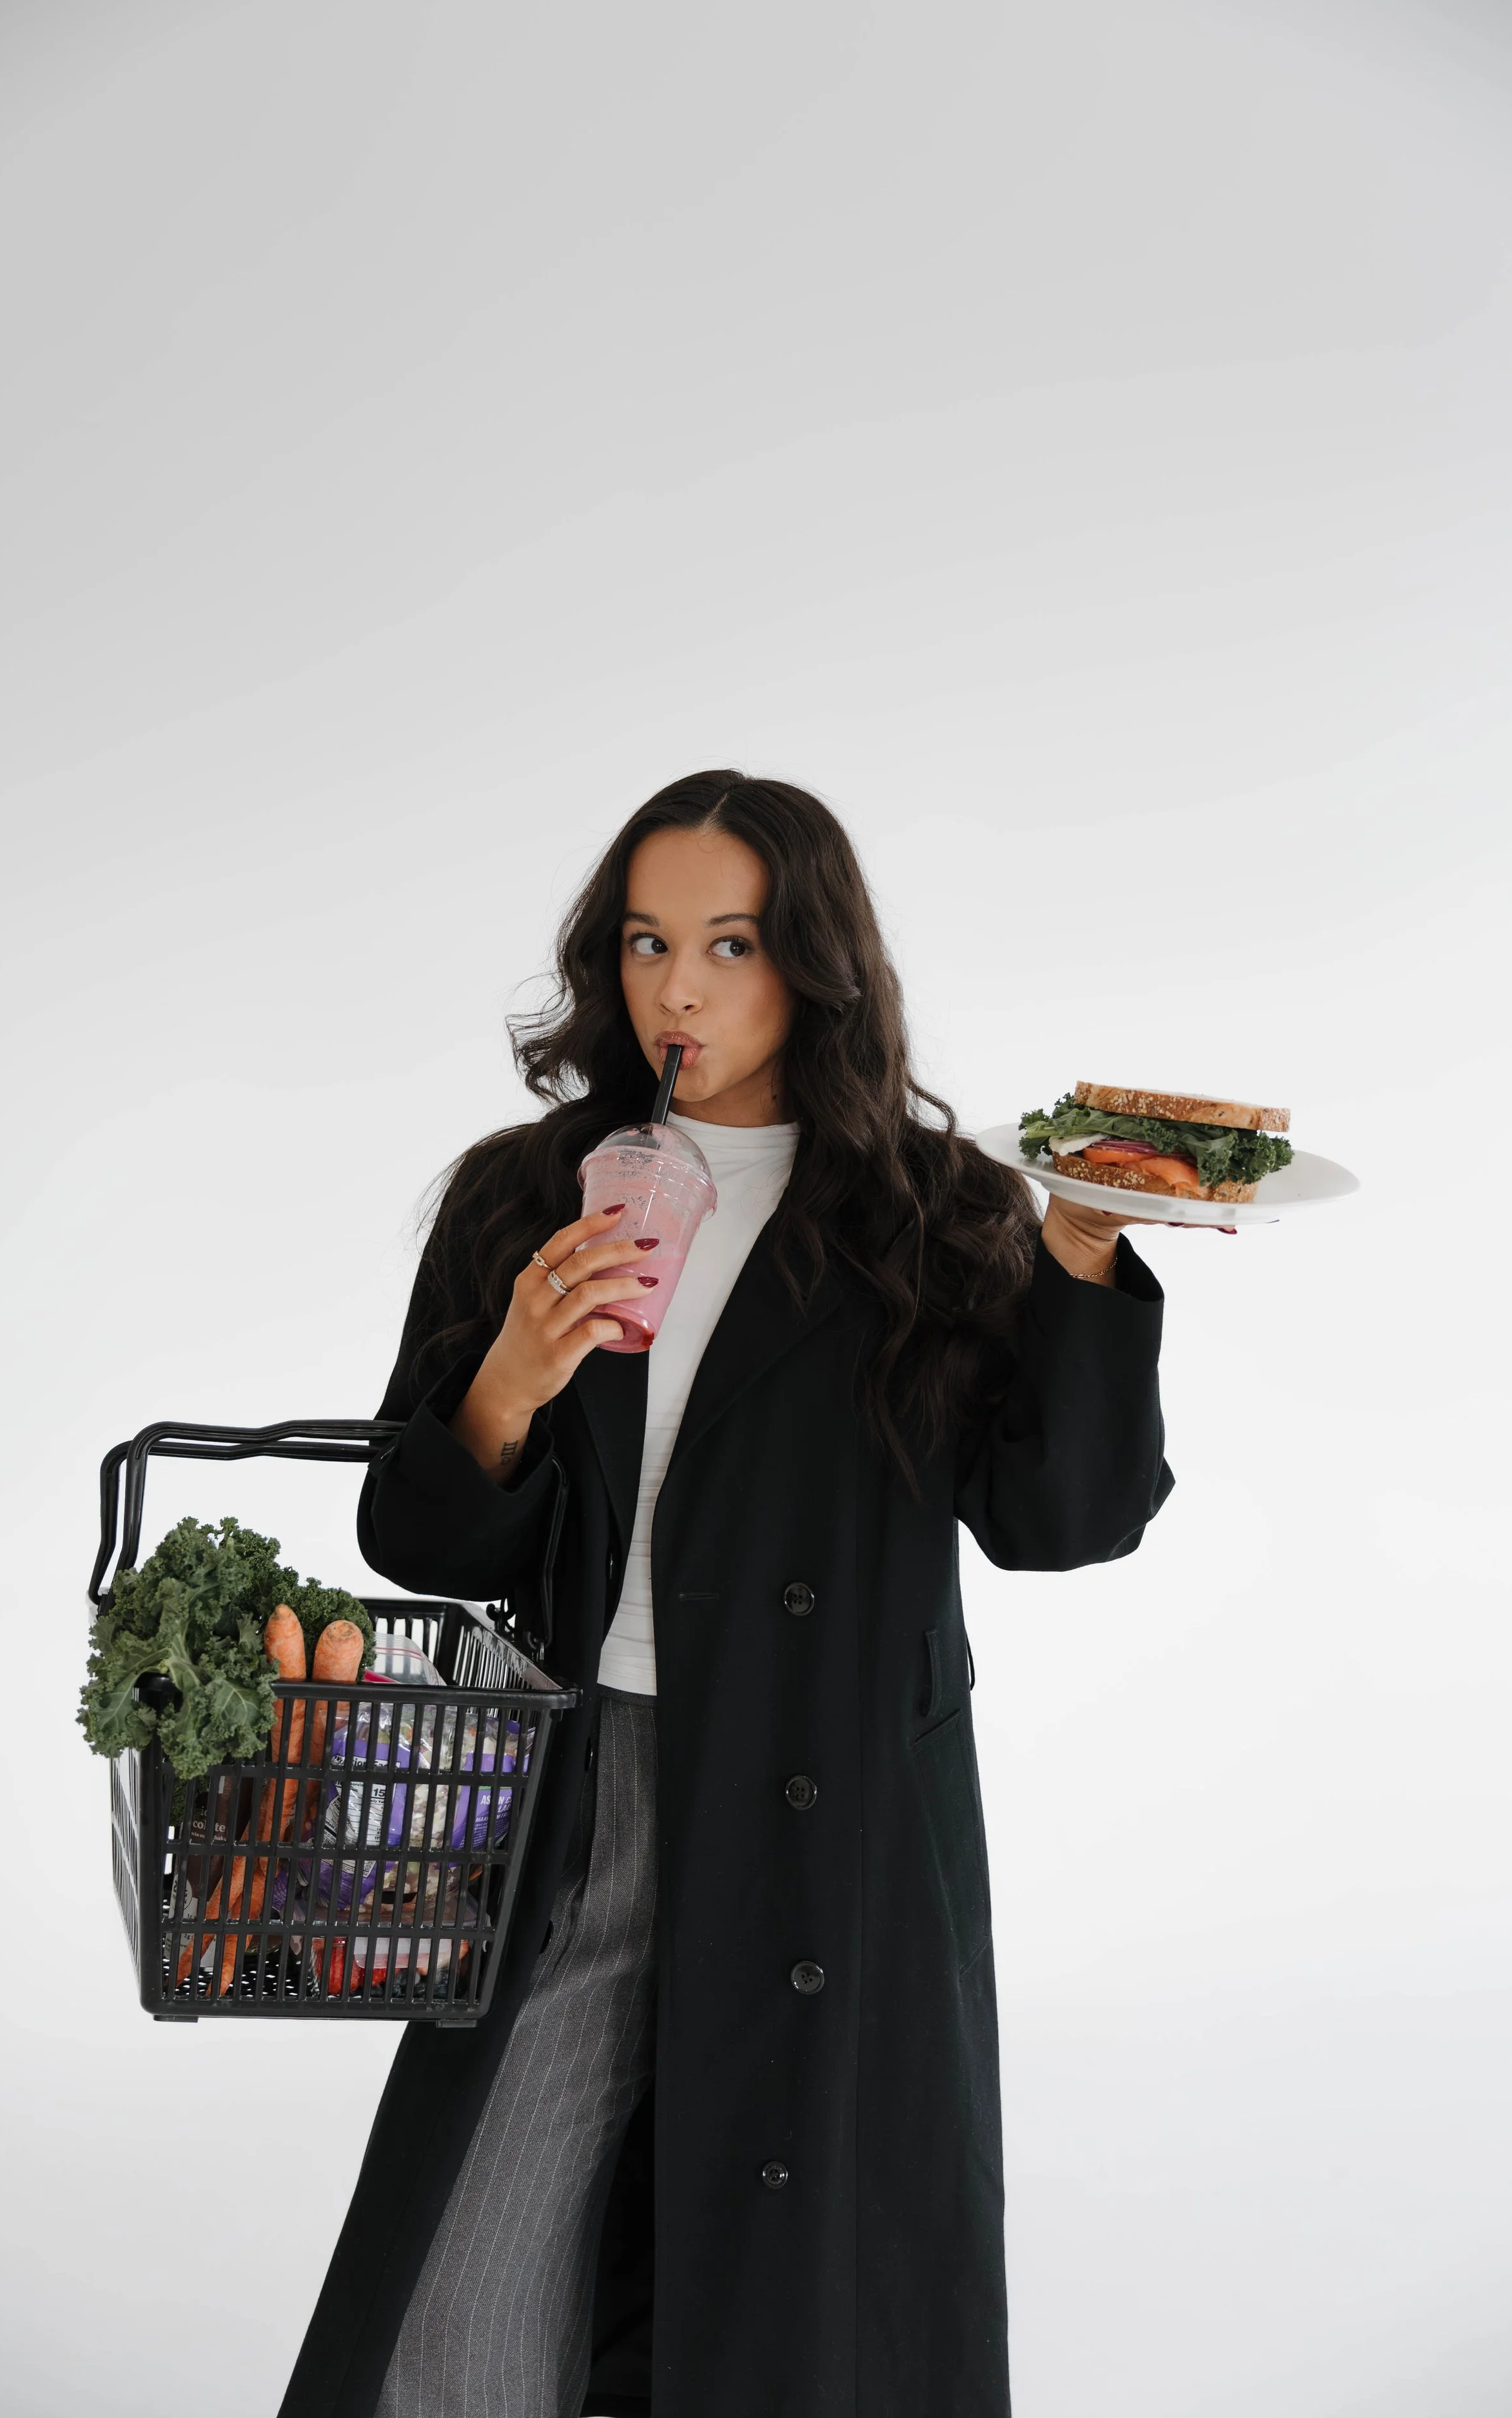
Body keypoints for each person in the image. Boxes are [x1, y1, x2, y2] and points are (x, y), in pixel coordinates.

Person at [280, 771, 1175, 2418]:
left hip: (826, 1815)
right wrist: (508, 1385)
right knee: (461, 2305)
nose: (675, 989)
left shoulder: (935, 1216)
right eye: (642, 942)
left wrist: (1082, 1257)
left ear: (814, 963)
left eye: (729, 942)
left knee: (790, 2312)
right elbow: (417, 1537)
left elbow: (1061, 1518)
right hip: (575, 1792)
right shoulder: (522, 1193)